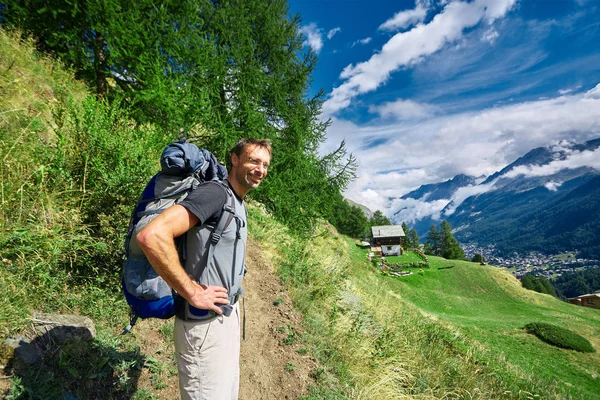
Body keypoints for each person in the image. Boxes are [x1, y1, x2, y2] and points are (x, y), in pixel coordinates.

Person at [136, 138, 272, 400]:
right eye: (254, 160)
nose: (260, 169)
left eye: (265, 164)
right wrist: (191, 291)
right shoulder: (215, 194)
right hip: (203, 325)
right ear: (234, 159)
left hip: (225, 317)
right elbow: (152, 236)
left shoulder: (237, 201)